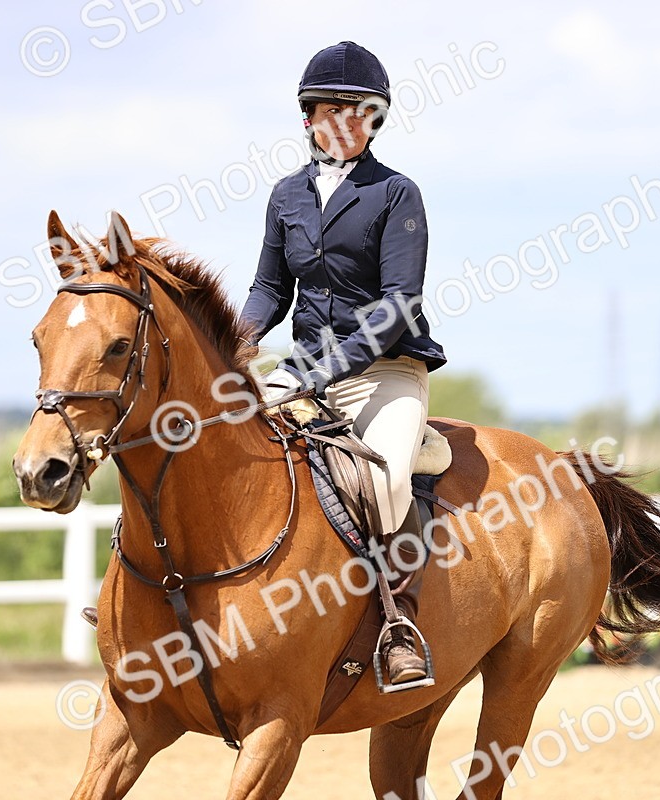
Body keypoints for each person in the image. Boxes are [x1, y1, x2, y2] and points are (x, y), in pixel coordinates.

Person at [239, 41, 447, 688]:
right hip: (300, 369)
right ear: (309, 117)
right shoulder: (286, 197)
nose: (348, 122)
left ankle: (398, 623)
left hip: (384, 373)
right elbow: (271, 291)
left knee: (382, 478)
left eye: (363, 112)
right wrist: (230, 344)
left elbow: (397, 304)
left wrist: (318, 368)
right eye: (335, 110)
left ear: (375, 120)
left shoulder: (394, 193)